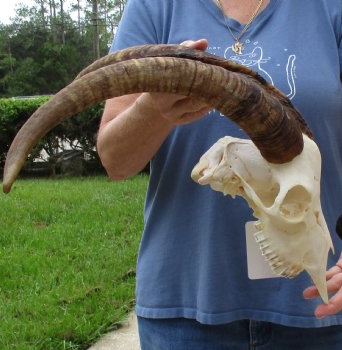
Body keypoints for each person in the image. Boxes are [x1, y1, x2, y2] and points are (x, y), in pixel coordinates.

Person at [96, 0, 342, 348]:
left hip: (321, 304)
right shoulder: (154, 7)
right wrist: (154, 107)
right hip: (185, 311)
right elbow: (115, 160)